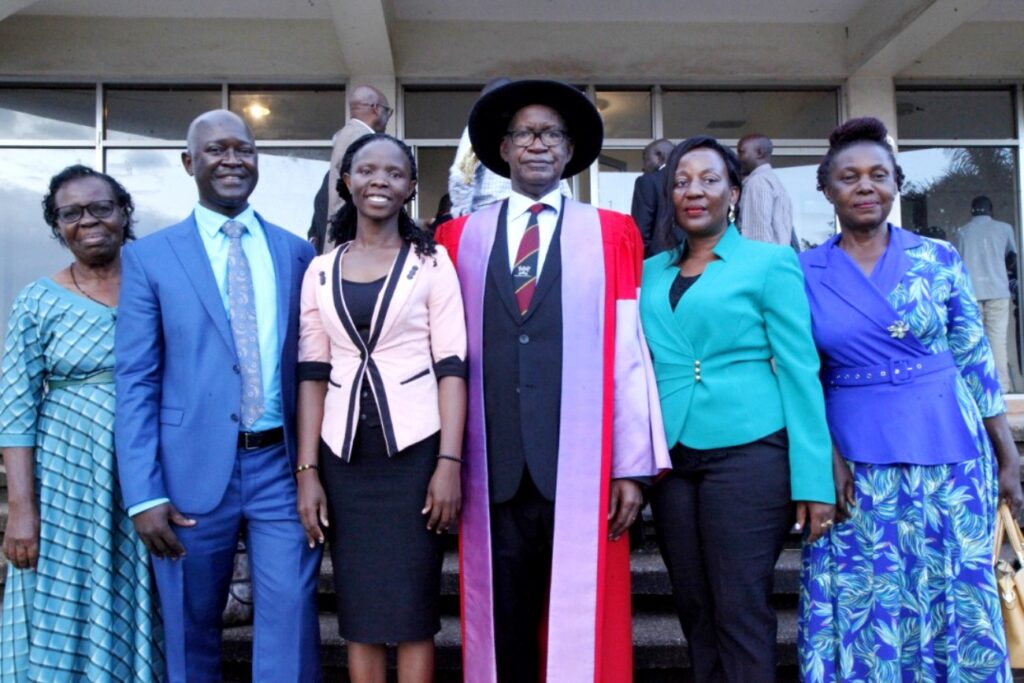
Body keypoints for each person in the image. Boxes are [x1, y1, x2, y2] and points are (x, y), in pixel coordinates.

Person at [435, 79, 669, 683]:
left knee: (581, 629)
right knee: (501, 626)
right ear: (504, 150)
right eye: (524, 134)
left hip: (581, 465)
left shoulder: (612, 233)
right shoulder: (460, 238)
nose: (538, 144)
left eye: (551, 134)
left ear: (569, 152)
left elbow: (629, 352)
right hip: (493, 465)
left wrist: (630, 466)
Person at [797, 117, 1024, 681]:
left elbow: (975, 359)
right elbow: (799, 375)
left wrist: (1010, 458)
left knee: (952, 584)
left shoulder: (939, 257)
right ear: (826, 189)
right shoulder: (803, 271)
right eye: (849, 177)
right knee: (862, 591)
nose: (865, 185)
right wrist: (822, 454)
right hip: (855, 459)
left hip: (950, 447)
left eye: (878, 174)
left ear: (898, 183)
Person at [114, 109, 321, 682]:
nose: (232, 160)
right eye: (216, 150)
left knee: (291, 621)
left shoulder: (294, 253)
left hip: (280, 468)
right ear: (189, 162)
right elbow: (135, 379)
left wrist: (313, 466)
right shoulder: (150, 257)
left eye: (244, 149)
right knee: (190, 624)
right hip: (187, 473)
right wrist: (143, 492)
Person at [639, 137, 834, 682]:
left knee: (739, 606)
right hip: (673, 455)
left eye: (708, 179)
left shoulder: (770, 262)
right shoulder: (649, 271)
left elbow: (799, 370)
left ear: (735, 190)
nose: (693, 191)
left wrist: (814, 480)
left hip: (751, 451)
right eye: (680, 182)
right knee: (695, 609)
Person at [294, 133, 467, 683]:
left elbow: (453, 367)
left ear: (411, 187)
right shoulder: (320, 270)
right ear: (345, 181)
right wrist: (307, 471)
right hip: (344, 456)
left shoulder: (432, 263)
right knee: (359, 611)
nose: (380, 181)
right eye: (367, 170)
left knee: (415, 610)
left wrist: (449, 463)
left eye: (394, 173)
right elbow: (312, 374)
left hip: (417, 454)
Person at [0, 165, 162, 681]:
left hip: (151, 476)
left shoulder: (158, 284)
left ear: (123, 213)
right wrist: (22, 512)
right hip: (67, 486)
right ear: (57, 225)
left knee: (145, 590)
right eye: (71, 213)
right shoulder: (37, 301)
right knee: (66, 593)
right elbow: (16, 409)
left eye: (100, 208)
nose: (88, 221)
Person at [448, 78, 572, 219]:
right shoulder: (480, 129)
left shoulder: (487, 129)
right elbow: (463, 173)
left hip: (506, 210)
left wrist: (462, 214)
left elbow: (462, 173)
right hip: (505, 211)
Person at [309, 85, 393, 254]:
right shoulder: (364, 140)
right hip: (352, 244)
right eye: (388, 112)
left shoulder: (348, 135)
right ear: (376, 109)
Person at [956, 195, 1017, 393]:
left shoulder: (963, 231)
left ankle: (977, 386)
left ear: (972, 211)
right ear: (991, 210)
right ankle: (1002, 387)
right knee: (997, 339)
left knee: (974, 340)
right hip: (998, 290)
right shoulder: (1004, 228)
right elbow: (1013, 258)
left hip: (971, 292)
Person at [736, 133, 796, 248]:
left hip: (760, 261)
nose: (737, 158)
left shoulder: (758, 182)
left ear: (759, 153)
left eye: (741, 152)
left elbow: (758, 235)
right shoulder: (773, 181)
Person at [630, 137, 674, 250]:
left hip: (658, 259)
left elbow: (640, 231)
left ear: (659, 156)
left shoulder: (647, 181)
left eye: (646, 159)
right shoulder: (689, 179)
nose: (643, 167)